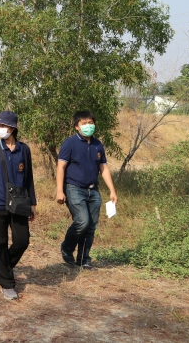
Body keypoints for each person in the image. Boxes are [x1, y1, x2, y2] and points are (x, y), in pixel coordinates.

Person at [0, 111, 37, 300]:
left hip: (19, 201)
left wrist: (32, 202)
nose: (0, 129)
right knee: (0, 243)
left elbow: (28, 178)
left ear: (13, 128)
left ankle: (3, 268)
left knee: (22, 240)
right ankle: (7, 283)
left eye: (4, 126)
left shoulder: (24, 149)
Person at [57, 110, 118, 269]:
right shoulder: (70, 143)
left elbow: (103, 168)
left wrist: (112, 190)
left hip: (93, 190)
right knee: (82, 221)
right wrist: (60, 191)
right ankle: (67, 248)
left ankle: (84, 259)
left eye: (90, 123)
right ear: (77, 126)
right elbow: (61, 167)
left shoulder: (98, 144)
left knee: (91, 226)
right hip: (74, 188)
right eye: (84, 123)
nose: (88, 126)